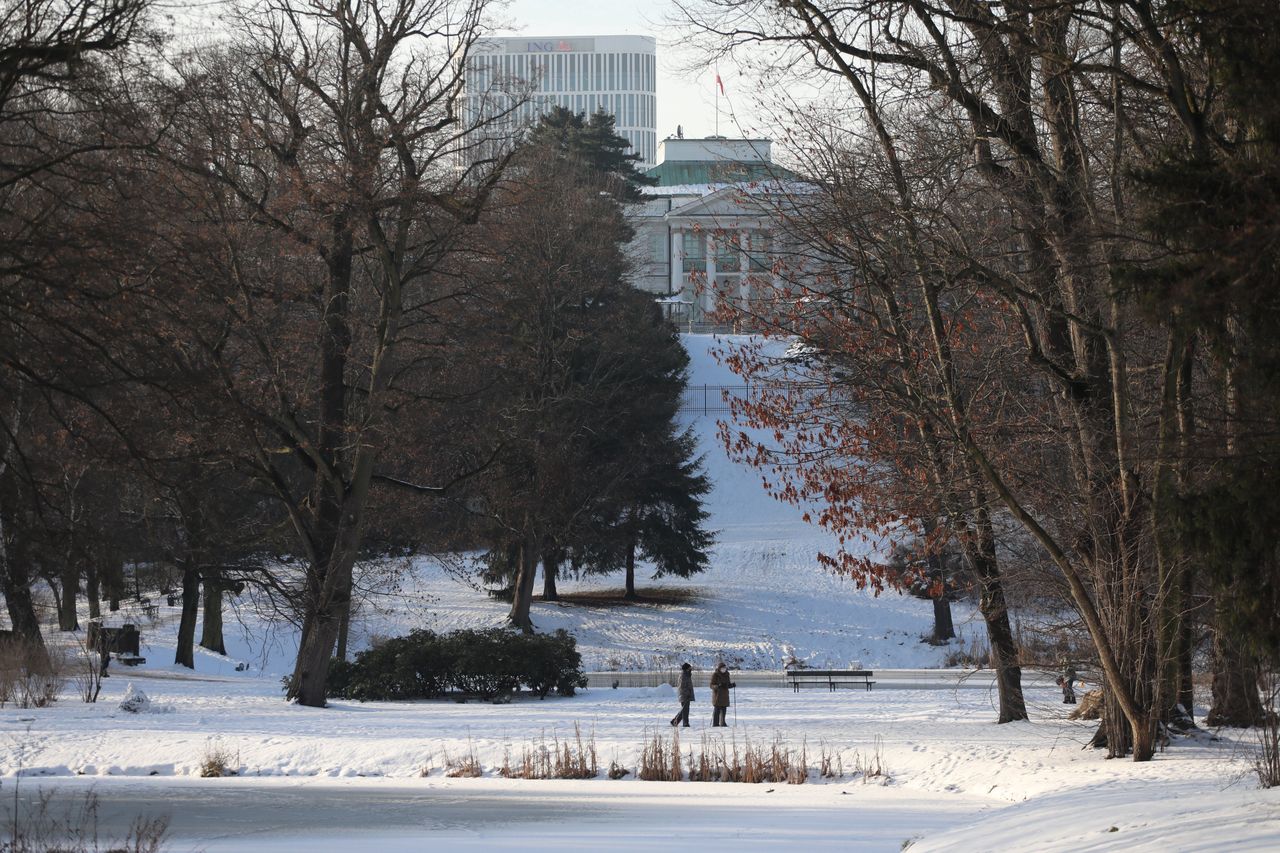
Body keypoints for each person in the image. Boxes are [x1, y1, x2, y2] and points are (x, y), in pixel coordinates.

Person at [710, 661, 735, 726]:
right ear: (719, 668)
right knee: (717, 710)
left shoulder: (727, 674)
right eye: (722, 668)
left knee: (724, 710)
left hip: (725, 696)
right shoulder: (715, 675)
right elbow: (711, 685)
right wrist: (718, 686)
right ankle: (715, 724)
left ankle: (722, 723)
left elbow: (728, 685)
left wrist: (732, 685)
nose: (724, 669)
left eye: (725, 668)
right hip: (717, 696)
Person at [670, 662, 694, 727]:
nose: (690, 669)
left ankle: (675, 721)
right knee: (685, 710)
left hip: (686, 695)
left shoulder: (687, 675)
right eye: (689, 668)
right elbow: (682, 687)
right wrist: (687, 694)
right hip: (684, 695)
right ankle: (685, 723)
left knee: (684, 709)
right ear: (686, 669)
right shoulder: (683, 675)